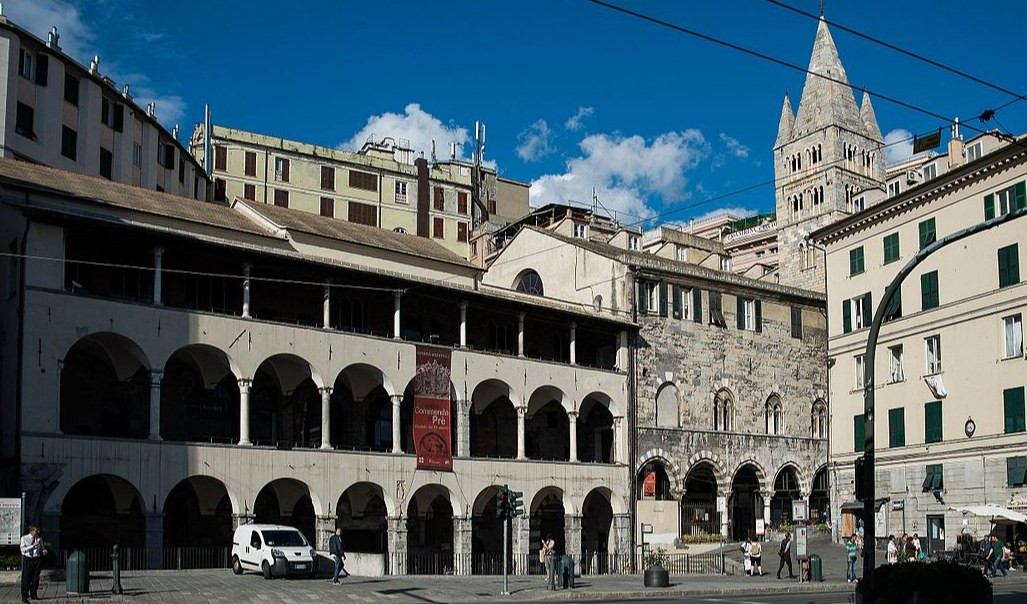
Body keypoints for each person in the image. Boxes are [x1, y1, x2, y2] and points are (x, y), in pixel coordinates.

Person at [20, 525, 45, 604]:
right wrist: (32, 546)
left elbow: (41, 548)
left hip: (36, 559)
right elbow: (23, 550)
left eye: (37, 531)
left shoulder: (39, 539)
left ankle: (33, 594)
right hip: (28, 559)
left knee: (35, 578)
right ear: (31, 531)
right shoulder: (24, 538)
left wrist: (43, 551)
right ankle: (24, 596)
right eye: (35, 531)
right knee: (26, 578)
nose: (36, 533)